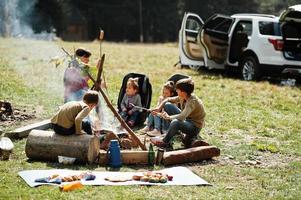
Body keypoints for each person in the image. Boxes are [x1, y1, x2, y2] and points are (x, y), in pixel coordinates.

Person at [150, 78, 206, 149]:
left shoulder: (192, 101)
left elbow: (182, 117)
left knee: (175, 122)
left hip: (194, 126)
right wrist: (159, 108)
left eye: (178, 90)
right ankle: (170, 133)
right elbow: (167, 99)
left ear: (183, 92)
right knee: (167, 104)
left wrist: (169, 117)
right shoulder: (183, 96)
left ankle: (164, 141)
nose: (176, 91)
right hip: (187, 119)